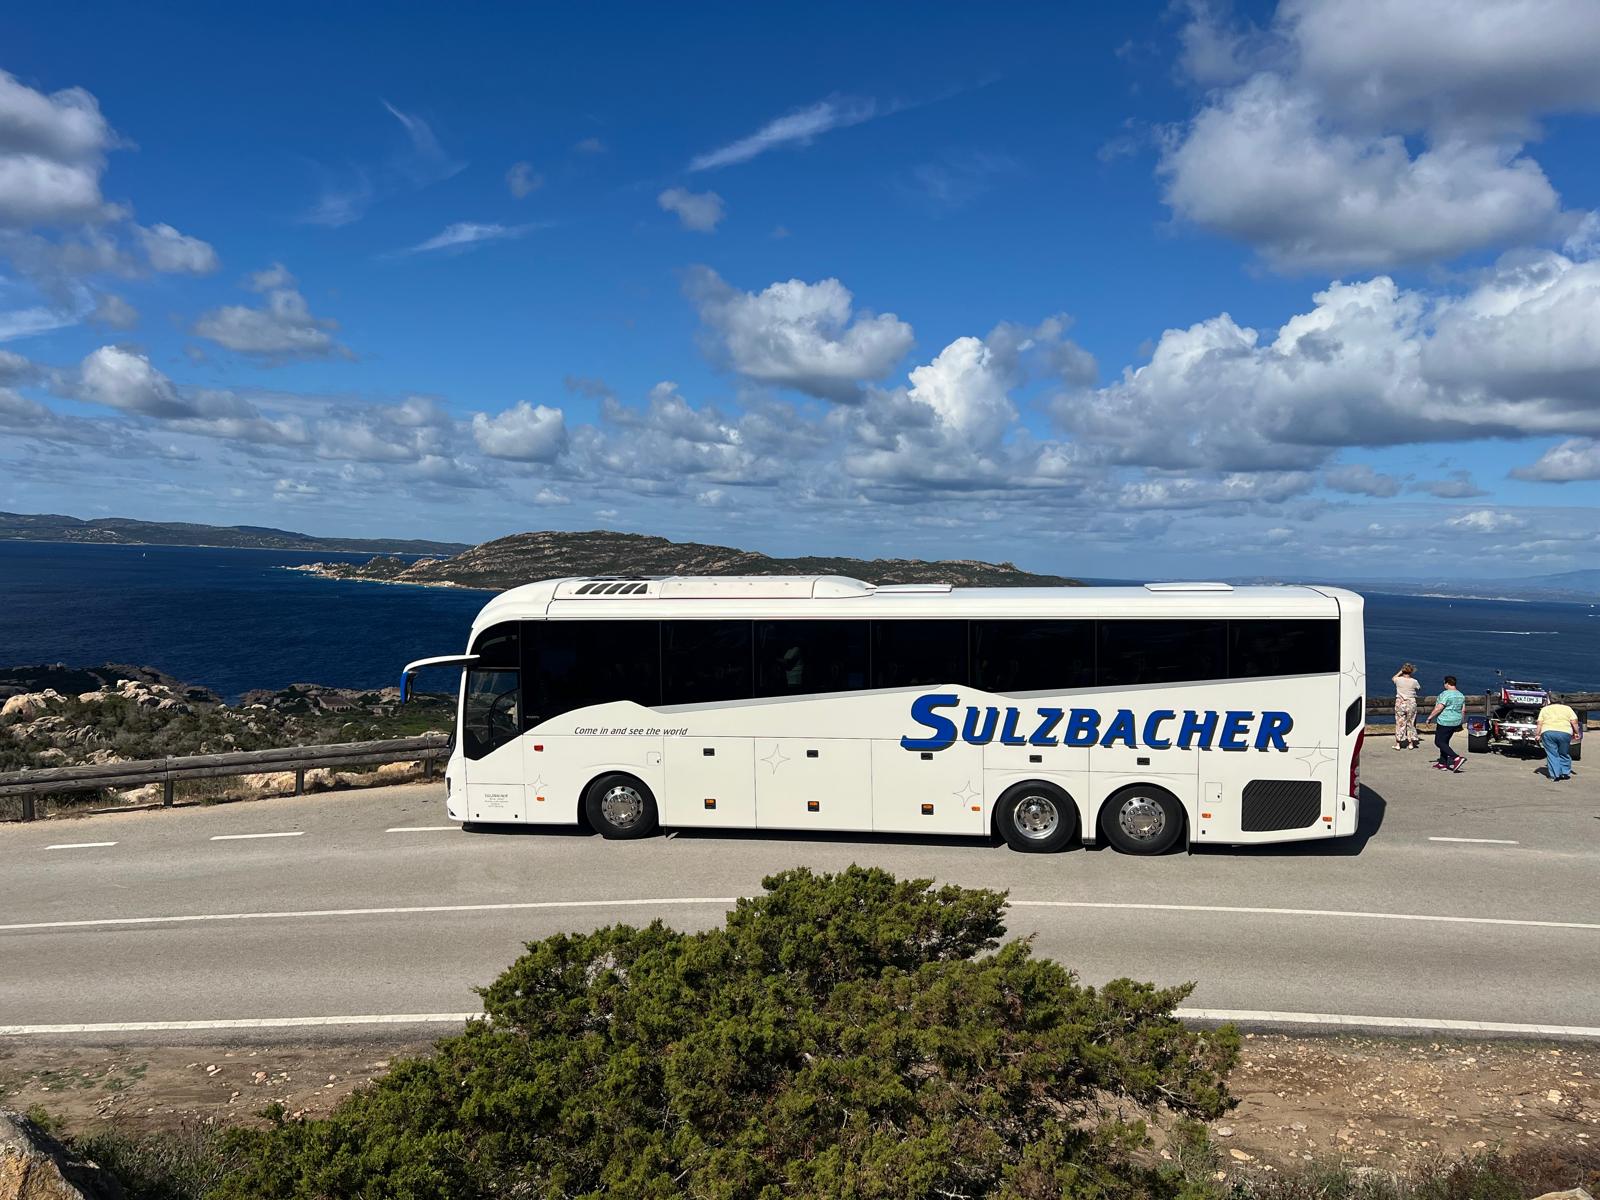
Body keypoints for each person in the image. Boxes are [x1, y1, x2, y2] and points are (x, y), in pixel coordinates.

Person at [1427, 675, 1467, 772]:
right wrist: (1461, 721)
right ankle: (1442, 763)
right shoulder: (1461, 695)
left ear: (1447, 683)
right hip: (1456, 721)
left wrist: (1430, 717)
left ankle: (1456, 758)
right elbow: (1463, 710)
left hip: (1445, 721)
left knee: (1438, 742)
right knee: (1445, 742)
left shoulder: (1445, 694)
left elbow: (1439, 707)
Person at [1536, 697, 1581, 781]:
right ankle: (1565, 772)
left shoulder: (1545, 709)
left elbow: (1539, 723)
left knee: (1552, 754)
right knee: (1564, 752)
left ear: (1550, 701)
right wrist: (1576, 732)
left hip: (1548, 732)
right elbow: (1574, 721)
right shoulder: (1568, 708)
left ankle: (1555, 775)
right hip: (1565, 732)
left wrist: (1538, 734)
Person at [1392, 663, 1420, 750]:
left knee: (1400, 723)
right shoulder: (1414, 681)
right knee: (1410, 723)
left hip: (1400, 702)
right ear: (1411, 671)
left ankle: (1398, 744)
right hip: (1411, 703)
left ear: (1403, 670)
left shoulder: (1398, 679)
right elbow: (1419, 688)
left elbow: (1393, 678)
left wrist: (1400, 672)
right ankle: (1411, 743)